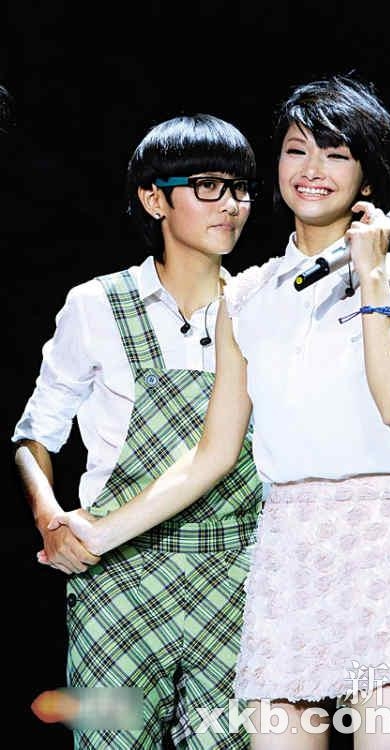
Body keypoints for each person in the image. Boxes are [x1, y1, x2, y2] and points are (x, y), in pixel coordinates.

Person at [41, 74, 390, 749]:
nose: (312, 169)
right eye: (297, 150)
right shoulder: (249, 297)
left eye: (337, 154)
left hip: (379, 534)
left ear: (368, 179)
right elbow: (212, 454)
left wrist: (372, 273)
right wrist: (95, 536)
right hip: (286, 539)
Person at [11, 113, 264, 749]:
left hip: (238, 577)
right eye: (208, 186)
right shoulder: (95, 304)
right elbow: (36, 432)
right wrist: (48, 516)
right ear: (155, 199)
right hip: (116, 578)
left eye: (240, 188)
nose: (230, 204)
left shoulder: (263, 307)